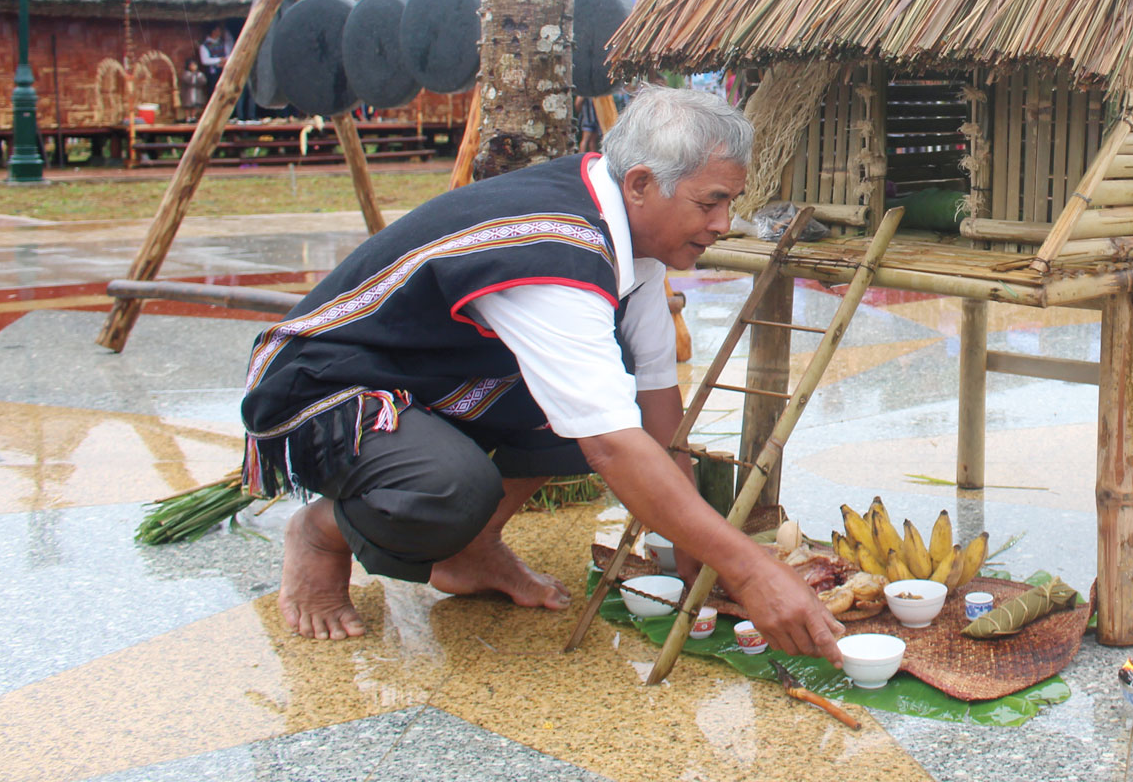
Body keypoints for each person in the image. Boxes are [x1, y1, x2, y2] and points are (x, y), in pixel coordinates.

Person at [239, 87, 844, 659]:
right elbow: (613, 445)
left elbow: (658, 407)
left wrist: (693, 551)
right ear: (640, 184)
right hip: (327, 386)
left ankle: (471, 553)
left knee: (614, 384)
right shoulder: (559, 256)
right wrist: (750, 567)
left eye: (730, 202)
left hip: (433, 380)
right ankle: (322, 533)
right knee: (452, 487)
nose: (723, 223)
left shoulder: (632, 235)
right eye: (709, 202)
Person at [197, 25, 231, 96]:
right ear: (213, 32)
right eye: (218, 30)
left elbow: (228, 54)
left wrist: (225, 60)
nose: (220, 32)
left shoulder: (222, 43)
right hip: (213, 74)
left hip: (224, 71)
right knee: (214, 92)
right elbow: (205, 60)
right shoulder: (204, 46)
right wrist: (219, 60)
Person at [180, 56, 208, 123]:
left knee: (195, 105)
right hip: (188, 92)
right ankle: (187, 117)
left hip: (197, 91)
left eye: (195, 65)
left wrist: (198, 78)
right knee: (187, 105)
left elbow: (203, 81)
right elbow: (188, 81)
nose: (194, 67)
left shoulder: (199, 74)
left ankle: (193, 116)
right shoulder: (186, 74)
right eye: (192, 65)